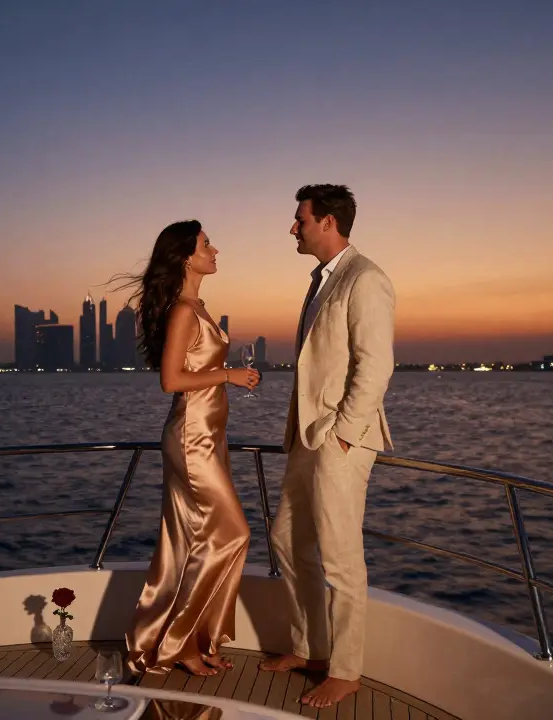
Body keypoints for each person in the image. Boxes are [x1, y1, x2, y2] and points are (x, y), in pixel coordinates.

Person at [260, 185, 396, 708]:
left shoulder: (366, 279)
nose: (292, 228)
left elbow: (375, 366)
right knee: (287, 538)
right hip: (307, 436)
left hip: (341, 439)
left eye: (299, 219)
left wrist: (343, 431)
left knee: (340, 557)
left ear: (327, 222)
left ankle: (345, 670)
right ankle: (310, 649)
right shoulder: (322, 281)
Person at [121, 219, 260, 677]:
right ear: (185, 255)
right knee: (233, 533)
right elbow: (171, 381)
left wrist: (232, 380)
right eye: (206, 244)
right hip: (191, 439)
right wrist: (228, 376)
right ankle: (181, 642)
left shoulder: (196, 306)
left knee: (192, 541)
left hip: (209, 436)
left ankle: (197, 638)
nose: (215, 249)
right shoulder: (183, 311)